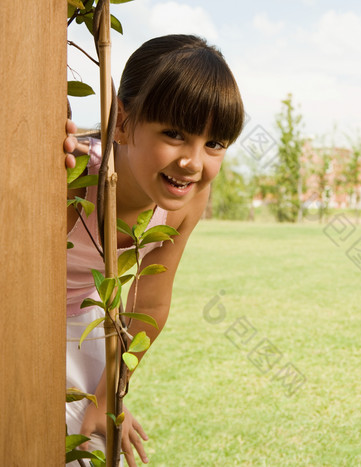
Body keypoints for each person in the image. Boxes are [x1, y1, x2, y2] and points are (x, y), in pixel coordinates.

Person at [63, 34, 244, 466]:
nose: (194, 163)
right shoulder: (73, 179)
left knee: (94, 440)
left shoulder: (190, 198)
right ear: (122, 122)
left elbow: (150, 305)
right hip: (22, 313)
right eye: (175, 134)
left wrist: (107, 400)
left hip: (86, 315)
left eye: (214, 143)